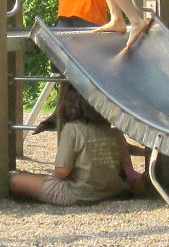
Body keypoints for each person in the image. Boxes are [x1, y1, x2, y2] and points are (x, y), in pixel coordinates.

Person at [10, 85, 143, 205]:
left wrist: (51, 178)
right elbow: (126, 162)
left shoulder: (72, 130)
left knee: (15, 180)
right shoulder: (114, 133)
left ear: (71, 105)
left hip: (78, 194)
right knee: (34, 178)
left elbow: (62, 171)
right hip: (113, 190)